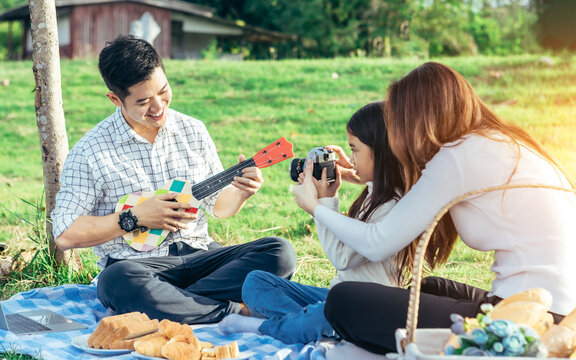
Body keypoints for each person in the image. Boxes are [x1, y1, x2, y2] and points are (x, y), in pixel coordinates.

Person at [292, 62, 576, 354]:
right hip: (561, 311)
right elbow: (423, 198)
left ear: (419, 118)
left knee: (344, 300)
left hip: (526, 318)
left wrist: (316, 207)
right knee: (428, 288)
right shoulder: (502, 142)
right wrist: (369, 177)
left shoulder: (457, 155)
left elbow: (376, 243)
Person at [51, 35, 297, 324]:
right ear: (115, 99)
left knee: (279, 252)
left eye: (163, 91)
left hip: (202, 257)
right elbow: (65, 233)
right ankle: (232, 312)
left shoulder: (193, 130)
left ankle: (175, 304)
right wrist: (134, 218)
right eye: (143, 101)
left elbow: (219, 207)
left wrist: (242, 192)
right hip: (140, 267)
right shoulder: (91, 151)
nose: (158, 107)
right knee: (116, 280)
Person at [218, 101, 408, 344]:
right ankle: (310, 325)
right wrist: (350, 176)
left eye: (354, 150)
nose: (349, 159)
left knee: (321, 317)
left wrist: (322, 204)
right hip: (338, 297)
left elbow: (342, 258)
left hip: (367, 310)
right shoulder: (374, 191)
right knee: (256, 281)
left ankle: (267, 327)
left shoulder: (392, 205)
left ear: (380, 151)